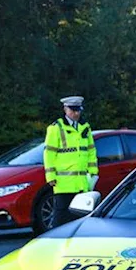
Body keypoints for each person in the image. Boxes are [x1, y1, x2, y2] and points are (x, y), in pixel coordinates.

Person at [43, 96, 98, 229]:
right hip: (63, 183)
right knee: (60, 218)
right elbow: (49, 153)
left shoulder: (85, 127)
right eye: (73, 110)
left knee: (81, 218)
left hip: (82, 183)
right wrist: (50, 176)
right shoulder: (56, 128)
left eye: (78, 110)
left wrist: (93, 173)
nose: (76, 113)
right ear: (65, 109)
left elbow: (91, 151)